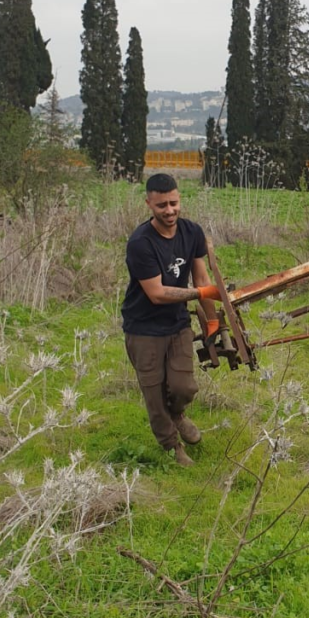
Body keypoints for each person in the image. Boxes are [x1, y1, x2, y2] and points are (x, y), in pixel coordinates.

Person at [122, 173, 221, 467]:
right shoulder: (141, 243)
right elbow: (156, 293)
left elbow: (202, 277)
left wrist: (212, 323)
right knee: (154, 392)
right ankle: (172, 447)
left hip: (177, 323)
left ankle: (178, 414)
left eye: (174, 203)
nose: (169, 211)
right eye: (162, 205)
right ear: (149, 204)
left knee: (183, 387)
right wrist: (200, 292)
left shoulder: (192, 232)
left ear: (180, 200)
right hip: (143, 327)